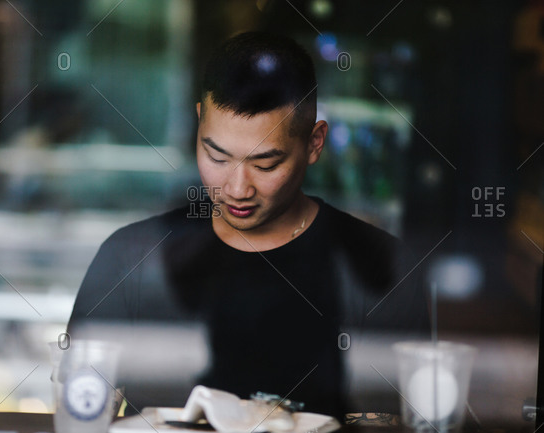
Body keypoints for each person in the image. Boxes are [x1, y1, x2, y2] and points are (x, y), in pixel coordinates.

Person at [68, 31, 429, 422]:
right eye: (216, 156)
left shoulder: (385, 268)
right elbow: (79, 409)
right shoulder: (132, 260)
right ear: (198, 122)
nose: (237, 189)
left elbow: (409, 421)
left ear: (314, 142)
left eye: (266, 164)